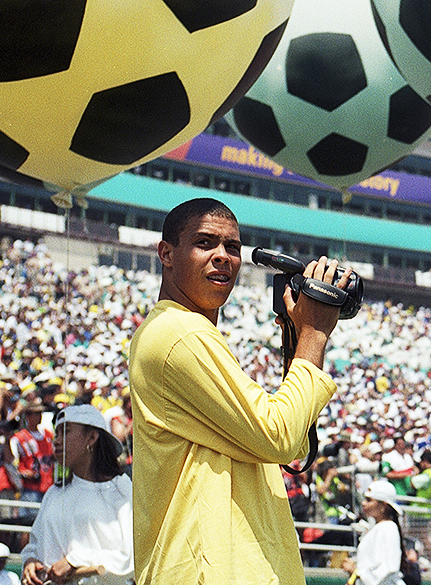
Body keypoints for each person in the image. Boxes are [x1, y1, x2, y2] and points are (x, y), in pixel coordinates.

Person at [128, 197, 352, 584]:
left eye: (232, 247)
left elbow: (294, 442)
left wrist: (298, 337)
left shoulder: (191, 333)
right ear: (166, 253)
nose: (223, 257)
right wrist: (314, 335)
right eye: (204, 243)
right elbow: (279, 437)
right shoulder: (180, 333)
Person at [20, 405, 133, 585]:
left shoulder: (122, 489)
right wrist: (30, 562)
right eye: (57, 434)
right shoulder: (54, 493)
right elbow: (35, 545)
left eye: (66, 432)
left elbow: (131, 556)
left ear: (92, 437)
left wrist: (74, 561)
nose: (57, 441)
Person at [341, 480, 406, 585]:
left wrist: (356, 572)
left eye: (369, 500)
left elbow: (388, 568)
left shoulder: (389, 528)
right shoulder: (378, 528)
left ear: (383, 506)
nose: (363, 503)